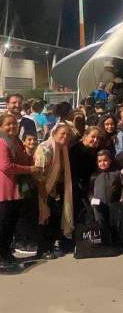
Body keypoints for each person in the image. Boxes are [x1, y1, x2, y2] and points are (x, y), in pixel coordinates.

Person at [34, 123, 74, 259]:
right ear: (54, 133)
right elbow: (39, 173)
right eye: (63, 133)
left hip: (52, 189)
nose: (65, 136)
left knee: (50, 219)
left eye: (68, 134)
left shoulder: (63, 149)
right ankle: (42, 250)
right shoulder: (45, 148)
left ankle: (49, 247)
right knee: (43, 218)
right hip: (41, 188)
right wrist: (43, 194)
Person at [0, 114, 35, 268]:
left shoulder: (16, 142)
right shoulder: (1, 142)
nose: (12, 126)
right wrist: (30, 169)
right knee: (3, 224)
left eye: (14, 124)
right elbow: (5, 166)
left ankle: (5, 252)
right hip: (4, 189)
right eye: (8, 124)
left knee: (10, 224)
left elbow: (24, 159)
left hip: (16, 189)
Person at [89, 150, 123, 231]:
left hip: (114, 206)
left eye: (105, 160)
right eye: (100, 161)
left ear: (110, 161)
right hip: (99, 207)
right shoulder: (94, 176)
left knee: (115, 227)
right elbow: (90, 191)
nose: (102, 163)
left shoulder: (117, 174)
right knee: (102, 227)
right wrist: (91, 199)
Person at [69, 127, 102, 224]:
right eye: (93, 137)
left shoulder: (96, 150)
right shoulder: (75, 149)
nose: (95, 140)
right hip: (77, 187)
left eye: (98, 138)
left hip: (90, 185)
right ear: (86, 136)